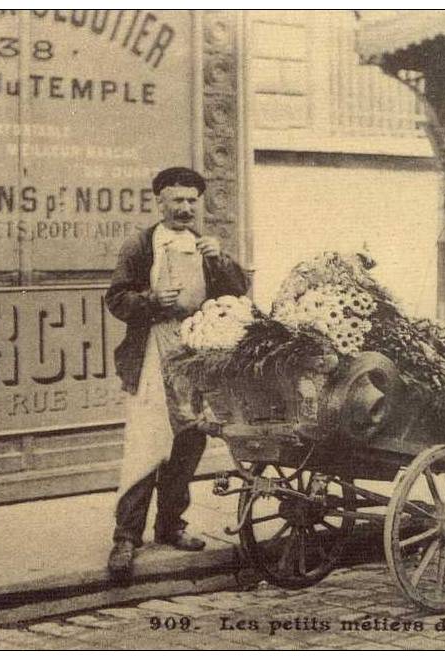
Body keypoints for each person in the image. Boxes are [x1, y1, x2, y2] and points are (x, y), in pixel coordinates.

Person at [106, 167, 250, 580]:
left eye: (192, 200)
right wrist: (151, 300)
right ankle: (126, 537)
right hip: (153, 352)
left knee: (188, 443)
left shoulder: (206, 247)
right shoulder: (141, 244)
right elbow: (116, 299)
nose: (186, 208)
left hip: (195, 353)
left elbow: (237, 292)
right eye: (177, 200)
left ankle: (171, 526)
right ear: (160, 202)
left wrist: (219, 260)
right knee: (146, 446)